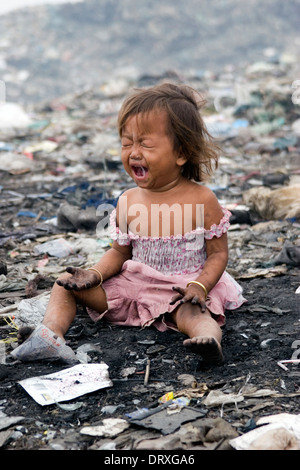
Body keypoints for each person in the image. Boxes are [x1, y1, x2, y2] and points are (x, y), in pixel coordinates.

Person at [15, 82, 246, 364]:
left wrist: (199, 287)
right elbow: (120, 252)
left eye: (146, 144)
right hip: (132, 287)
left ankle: (210, 342)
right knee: (64, 285)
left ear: (181, 153)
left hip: (180, 289)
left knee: (193, 315)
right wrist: (94, 275)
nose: (133, 152)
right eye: (127, 143)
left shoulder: (202, 199)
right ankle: (49, 335)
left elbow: (218, 253)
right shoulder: (127, 200)